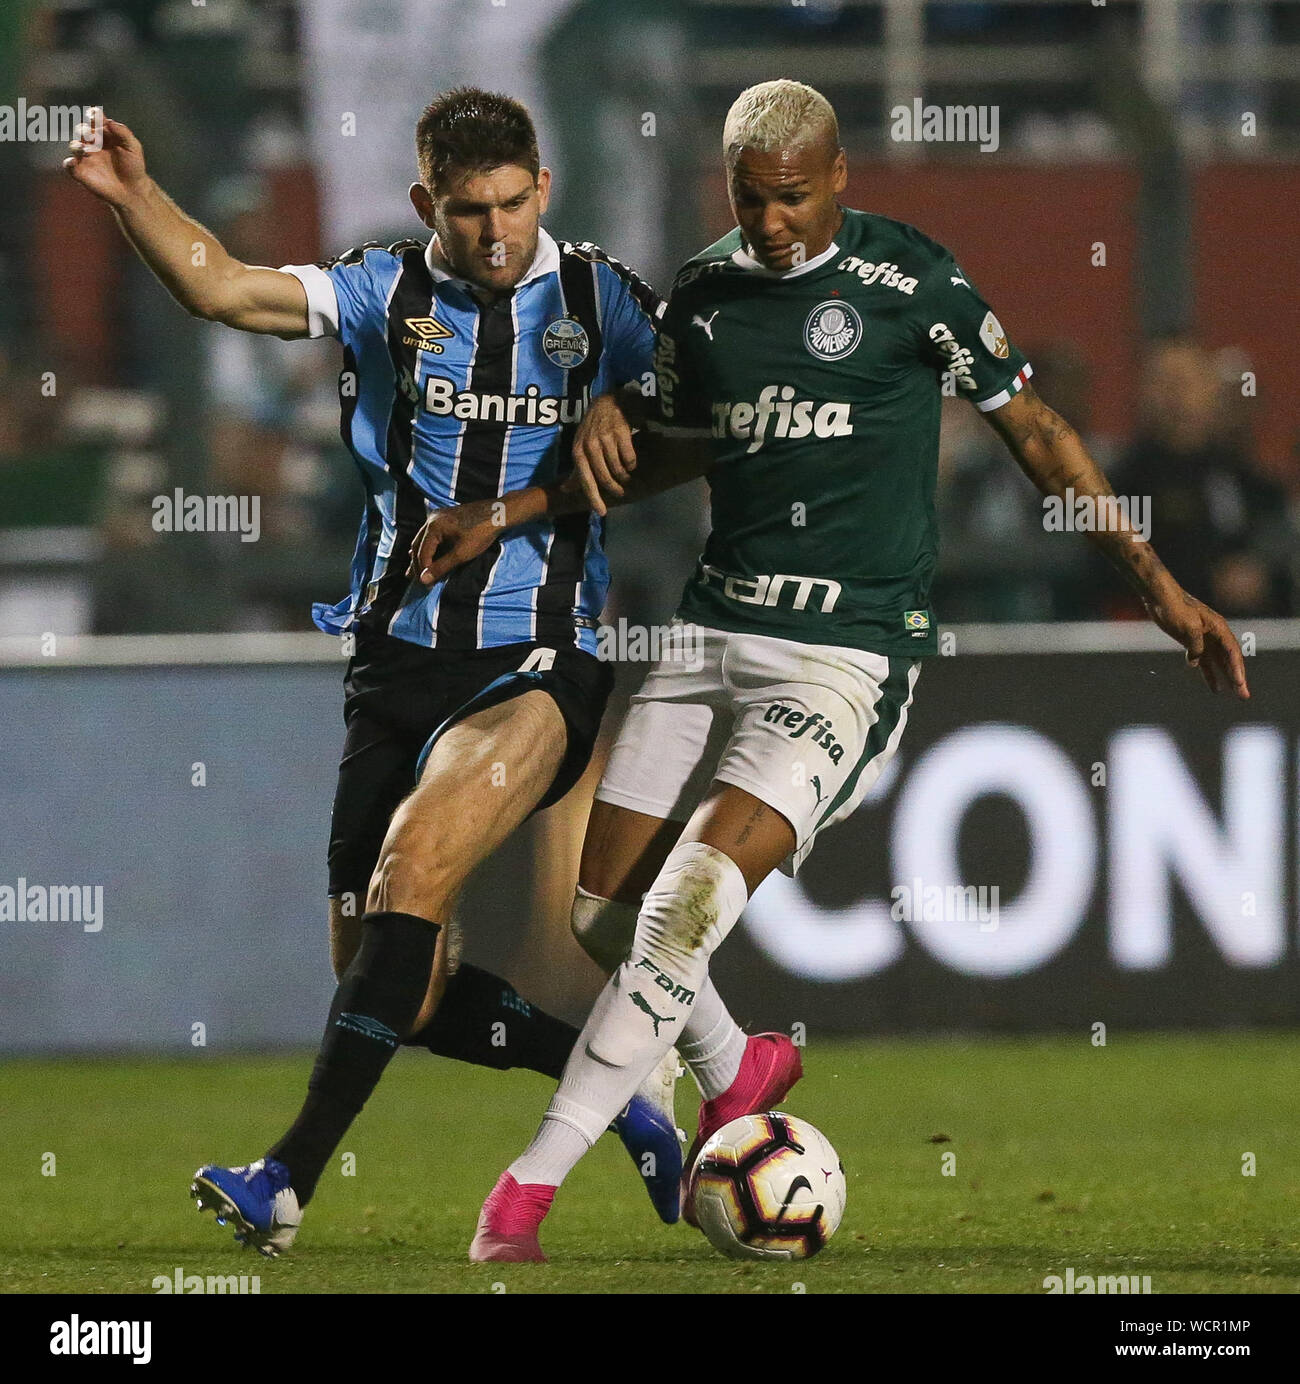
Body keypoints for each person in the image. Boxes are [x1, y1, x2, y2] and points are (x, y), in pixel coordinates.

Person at [410, 79, 1250, 1263]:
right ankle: (737, 1063)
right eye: (750, 200)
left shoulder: (916, 286)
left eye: (792, 200)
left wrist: (1159, 587)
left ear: (839, 177)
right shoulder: (700, 297)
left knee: (676, 915)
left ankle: (524, 1193)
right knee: (601, 910)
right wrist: (522, 500)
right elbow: (670, 452)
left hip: (843, 657)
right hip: (707, 635)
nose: (771, 224)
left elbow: (1041, 434)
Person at [64, 87, 692, 1254]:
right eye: (469, 212)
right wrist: (133, 194)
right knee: (388, 988)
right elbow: (223, 284)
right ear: (426, 206)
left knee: (411, 869)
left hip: (538, 659)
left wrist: (629, 404)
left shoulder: (602, 298)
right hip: (394, 661)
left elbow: (701, 400)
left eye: (513, 203)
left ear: (543, 188)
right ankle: (625, 1097)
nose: (496, 231)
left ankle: (284, 1181)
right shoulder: (382, 290)